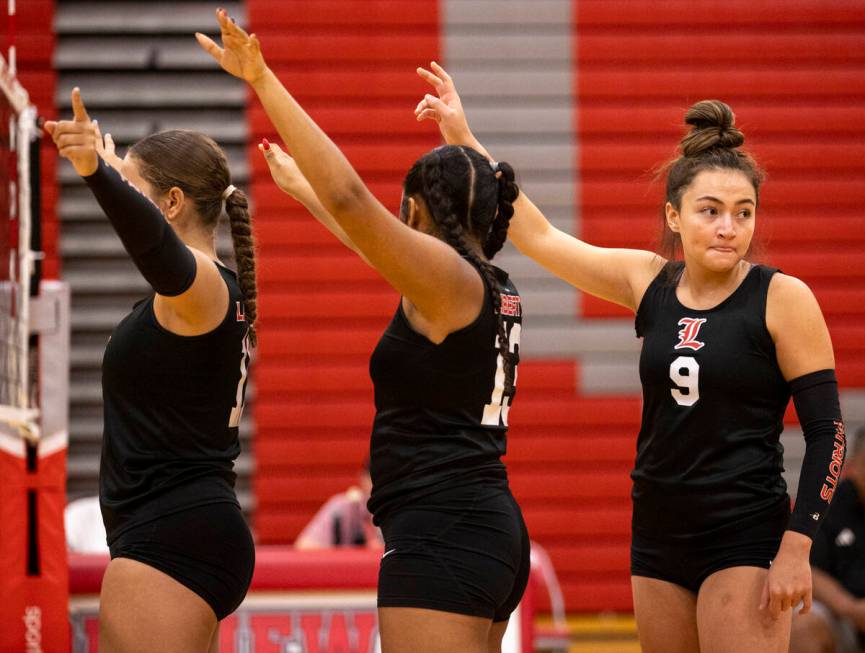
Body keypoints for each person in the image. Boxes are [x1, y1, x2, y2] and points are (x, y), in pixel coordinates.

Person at [414, 63, 846, 652]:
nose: (728, 228)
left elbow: (828, 433)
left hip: (745, 533)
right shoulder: (649, 282)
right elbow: (539, 236)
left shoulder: (782, 298)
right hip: (659, 532)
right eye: (710, 210)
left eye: (743, 212)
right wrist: (463, 136)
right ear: (674, 215)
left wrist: (798, 546)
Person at [197, 11, 529, 653]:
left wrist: (263, 79)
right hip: (478, 524)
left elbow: (356, 205)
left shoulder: (451, 278)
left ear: (413, 210)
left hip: (444, 535)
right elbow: (368, 237)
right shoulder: (489, 284)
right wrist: (306, 198)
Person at [44, 89, 256, 652]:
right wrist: (111, 165)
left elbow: (154, 246)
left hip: (171, 539)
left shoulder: (203, 286)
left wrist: (95, 172)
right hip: (183, 530)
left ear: (172, 203)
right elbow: (153, 232)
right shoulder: (199, 296)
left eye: (136, 191)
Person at [791, 426, 865, 653]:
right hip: (845, 618)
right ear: (850, 468)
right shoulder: (827, 505)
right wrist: (851, 608)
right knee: (803, 627)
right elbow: (807, 568)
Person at [294, 460, 383, 550]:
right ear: (362, 477)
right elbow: (304, 546)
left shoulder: (395, 511)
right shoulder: (342, 508)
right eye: (375, 477)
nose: (380, 485)